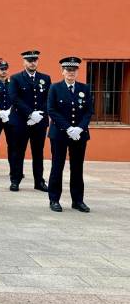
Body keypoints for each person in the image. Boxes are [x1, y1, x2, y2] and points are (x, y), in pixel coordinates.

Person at [47, 57, 93, 213]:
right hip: (59, 134)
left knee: (77, 168)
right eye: (68, 70)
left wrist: (79, 128)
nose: (70, 73)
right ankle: (54, 200)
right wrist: (68, 128)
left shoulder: (84, 88)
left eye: (73, 70)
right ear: (62, 71)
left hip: (79, 135)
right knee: (57, 167)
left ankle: (78, 200)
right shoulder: (55, 88)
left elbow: (88, 111)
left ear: (77, 72)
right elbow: (51, 110)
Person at [9, 50, 51, 192]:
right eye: (29, 60)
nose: (32, 63)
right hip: (21, 121)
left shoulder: (45, 78)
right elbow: (14, 98)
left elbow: (48, 99)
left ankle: (39, 181)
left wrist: (39, 114)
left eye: (35, 60)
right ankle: (15, 180)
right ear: (24, 62)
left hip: (39, 122)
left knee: (38, 152)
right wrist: (30, 114)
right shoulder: (16, 78)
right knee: (18, 152)